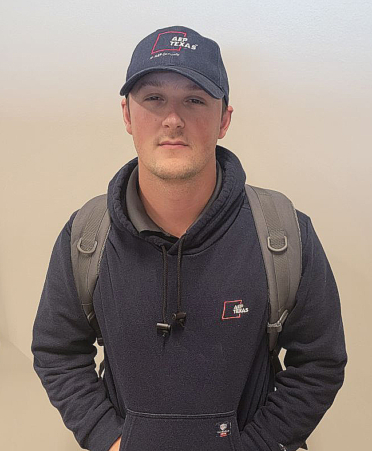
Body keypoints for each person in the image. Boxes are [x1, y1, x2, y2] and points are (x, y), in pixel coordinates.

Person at [31, 25, 347, 451]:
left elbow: (320, 363)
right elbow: (57, 351)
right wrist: (109, 439)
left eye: (195, 100)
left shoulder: (283, 233)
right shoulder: (86, 236)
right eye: (154, 98)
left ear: (224, 119)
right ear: (126, 114)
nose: (173, 119)